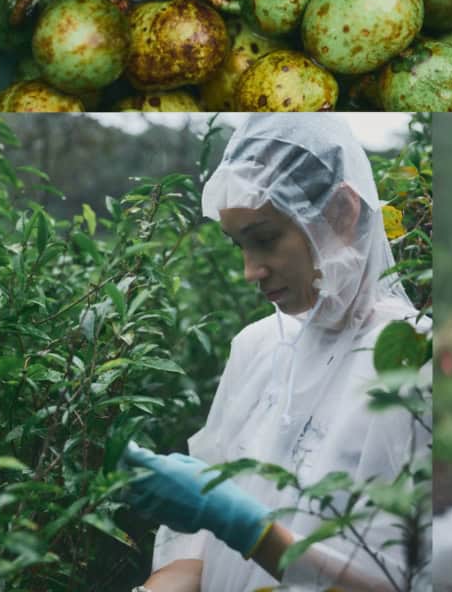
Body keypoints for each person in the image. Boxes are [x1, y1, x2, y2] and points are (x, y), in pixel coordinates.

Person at [120, 115, 429, 592]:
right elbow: (196, 546)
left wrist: (249, 530)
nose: (250, 271)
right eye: (239, 244)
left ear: (342, 212)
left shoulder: (410, 359)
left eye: (264, 239)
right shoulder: (257, 347)